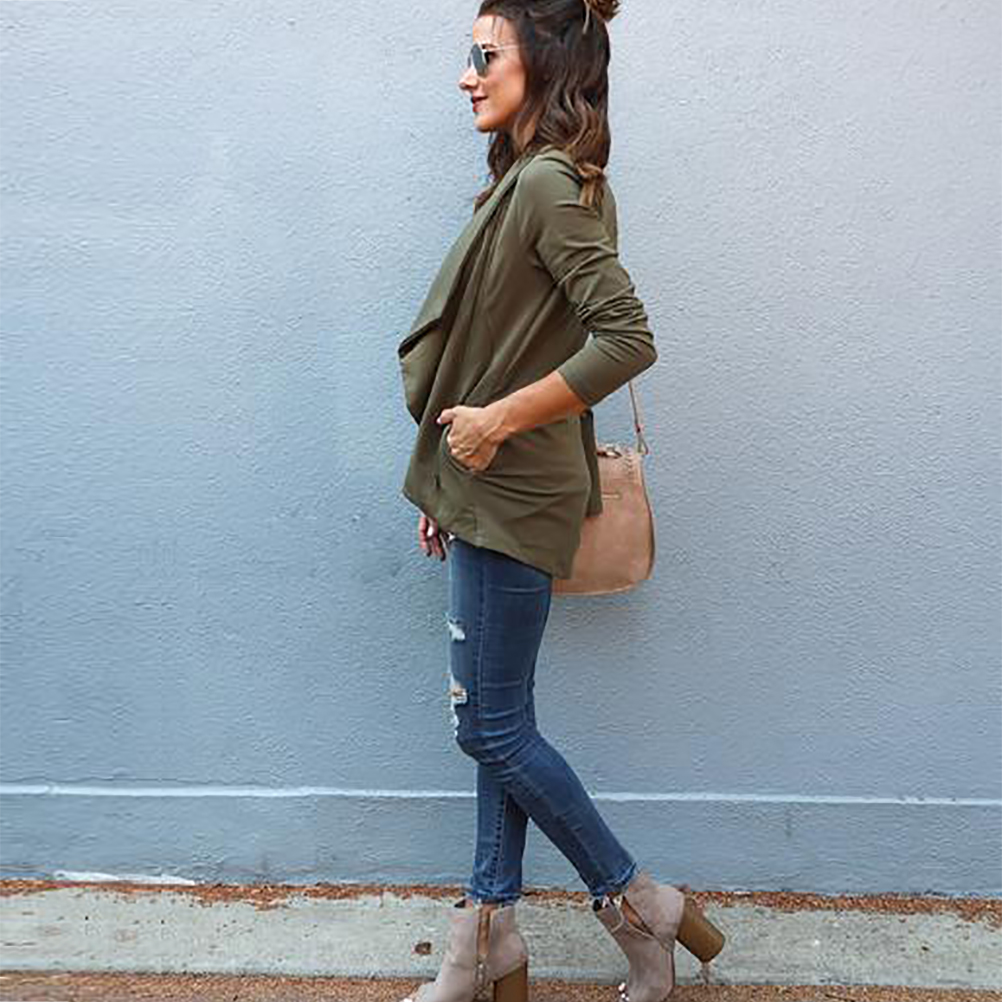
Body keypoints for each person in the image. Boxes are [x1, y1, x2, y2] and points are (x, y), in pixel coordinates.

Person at [396, 3, 726, 1000]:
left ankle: (638, 902)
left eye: (485, 54)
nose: (467, 74)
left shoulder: (548, 184)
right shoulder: (527, 181)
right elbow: (502, 349)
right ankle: (487, 933)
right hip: (485, 488)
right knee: (502, 720)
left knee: (489, 729)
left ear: (542, 63)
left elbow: (625, 339)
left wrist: (492, 426)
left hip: (515, 488)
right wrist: (451, 472)